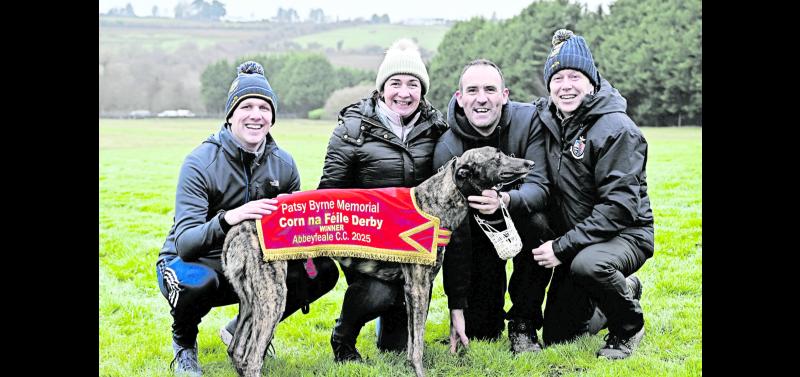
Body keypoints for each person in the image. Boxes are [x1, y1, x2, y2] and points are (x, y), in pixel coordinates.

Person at [155, 61, 339, 376]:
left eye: (264, 108)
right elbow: (185, 244)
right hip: (197, 263)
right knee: (196, 284)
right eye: (247, 106)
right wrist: (230, 218)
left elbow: (292, 236)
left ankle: (244, 330)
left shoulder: (284, 165)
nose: (256, 115)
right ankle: (184, 345)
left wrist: (310, 231)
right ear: (230, 114)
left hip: (251, 265)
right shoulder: (199, 163)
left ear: (273, 117)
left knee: (318, 270)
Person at [318, 38, 448, 362]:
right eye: (395, 83)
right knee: (378, 293)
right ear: (382, 88)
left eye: (412, 84)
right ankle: (343, 337)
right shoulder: (351, 130)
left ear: (422, 90)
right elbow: (328, 192)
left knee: (394, 346)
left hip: (413, 246)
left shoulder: (437, 130)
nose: (404, 93)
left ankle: (391, 320)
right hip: (366, 243)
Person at [531, 29, 653, 360]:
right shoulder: (549, 119)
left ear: (591, 82)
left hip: (624, 234)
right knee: (559, 335)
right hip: (581, 236)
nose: (566, 85)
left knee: (590, 266)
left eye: (575, 76)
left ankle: (628, 327)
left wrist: (561, 248)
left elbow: (619, 209)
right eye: (557, 78)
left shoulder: (618, 129)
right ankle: (624, 290)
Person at [432, 59, 552, 354]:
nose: (482, 98)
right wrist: (456, 306)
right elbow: (453, 234)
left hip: (523, 216)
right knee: (482, 332)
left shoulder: (529, 121)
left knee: (537, 222)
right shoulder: (448, 148)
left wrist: (504, 201)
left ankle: (523, 322)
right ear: (460, 98)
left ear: (505, 95)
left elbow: (539, 186)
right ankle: (484, 313)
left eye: (490, 89)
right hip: (474, 233)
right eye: (472, 90)